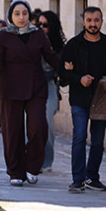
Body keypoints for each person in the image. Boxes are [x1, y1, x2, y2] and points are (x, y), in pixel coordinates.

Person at [0, 0, 61, 187]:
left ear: (29, 16)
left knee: (39, 127)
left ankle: (31, 166)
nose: (21, 17)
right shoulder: (3, 36)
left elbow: (51, 56)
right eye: (17, 14)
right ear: (11, 16)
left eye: (25, 13)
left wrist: (69, 69)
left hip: (35, 86)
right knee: (12, 132)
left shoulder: (37, 35)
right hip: (10, 88)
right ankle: (15, 171)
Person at [60, 6, 106, 193]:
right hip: (80, 99)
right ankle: (77, 179)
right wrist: (78, 78)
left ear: (101, 21)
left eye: (96, 20)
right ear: (83, 22)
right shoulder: (73, 45)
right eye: (89, 20)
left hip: (101, 100)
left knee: (97, 141)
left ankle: (92, 177)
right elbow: (62, 74)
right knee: (79, 137)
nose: (93, 24)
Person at [36, 10, 66, 173]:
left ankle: (47, 160)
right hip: (32, 86)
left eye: (45, 25)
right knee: (31, 123)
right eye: (39, 24)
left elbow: (59, 67)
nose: (41, 27)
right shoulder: (32, 41)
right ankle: (33, 159)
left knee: (47, 122)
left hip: (49, 86)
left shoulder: (58, 47)